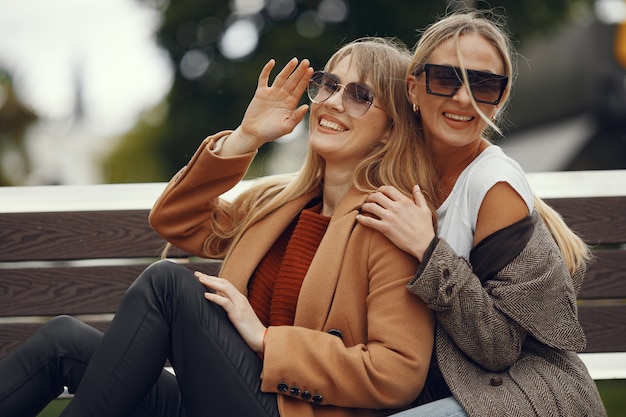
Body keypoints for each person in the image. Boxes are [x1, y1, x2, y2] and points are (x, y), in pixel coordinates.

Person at [0, 37, 438, 417]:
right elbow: (174, 219)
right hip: (219, 396)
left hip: (289, 411)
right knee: (62, 341)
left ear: (388, 131)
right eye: (329, 84)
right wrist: (245, 138)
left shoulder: (389, 222)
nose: (333, 101)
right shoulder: (281, 202)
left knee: (169, 283)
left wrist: (268, 340)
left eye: (360, 95)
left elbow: (397, 372)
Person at [356, 10, 608, 417]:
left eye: (484, 84)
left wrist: (427, 249)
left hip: (524, 395)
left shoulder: (494, 184)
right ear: (413, 86)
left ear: (501, 97)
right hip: (433, 388)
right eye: (444, 78)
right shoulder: (399, 164)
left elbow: (498, 347)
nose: (462, 98)